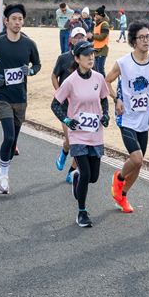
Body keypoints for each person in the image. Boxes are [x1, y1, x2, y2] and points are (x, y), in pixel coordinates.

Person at [51, 41, 110, 227]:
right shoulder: (70, 81)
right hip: (77, 135)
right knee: (86, 173)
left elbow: (104, 98)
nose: (91, 57)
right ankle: (82, 212)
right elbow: (55, 104)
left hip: (95, 134)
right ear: (77, 59)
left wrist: (106, 115)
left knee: (93, 177)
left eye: (92, 54)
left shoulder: (99, 78)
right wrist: (67, 121)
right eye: (86, 55)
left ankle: (76, 176)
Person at [105, 21, 149, 213]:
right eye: (142, 37)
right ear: (133, 41)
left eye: (148, 37)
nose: (146, 40)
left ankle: (122, 196)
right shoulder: (123, 63)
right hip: (126, 118)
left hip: (144, 121)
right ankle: (119, 178)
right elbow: (107, 82)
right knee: (136, 159)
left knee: (138, 165)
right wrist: (117, 99)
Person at [0, 3, 41, 193]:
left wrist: (30, 71)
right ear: (6, 21)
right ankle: (4, 175)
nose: (17, 22)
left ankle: (3, 170)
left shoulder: (29, 44)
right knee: (8, 136)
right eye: (14, 19)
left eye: (20, 19)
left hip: (21, 98)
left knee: (13, 140)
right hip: (3, 96)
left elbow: (37, 65)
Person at [52, 27, 87, 183]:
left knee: (80, 143)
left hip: (83, 108)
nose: (79, 39)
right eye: (76, 37)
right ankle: (64, 152)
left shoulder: (89, 59)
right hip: (66, 108)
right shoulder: (63, 58)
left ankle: (71, 172)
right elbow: (54, 76)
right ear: (71, 40)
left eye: (82, 37)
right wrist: (59, 92)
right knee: (71, 141)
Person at [91, 5, 110, 76]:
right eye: (95, 14)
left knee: (100, 69)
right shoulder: (96, 24)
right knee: (96, 69)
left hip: (102, 49)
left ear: (101, 15)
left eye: (97, 15)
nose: (95, 16)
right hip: (96, 49)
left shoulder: (104, 24)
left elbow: (102, 37)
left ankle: (104, 82)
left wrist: (92, 36)